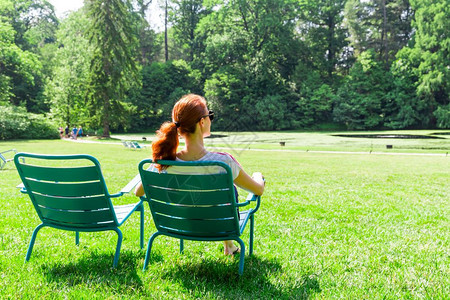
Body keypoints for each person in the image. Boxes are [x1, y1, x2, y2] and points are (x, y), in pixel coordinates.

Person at [135, 94, 265, 255]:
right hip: (219, 226)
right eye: (210, 115)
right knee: (228, 188)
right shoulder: (223, 163)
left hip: (178, 225)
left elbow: (138, 192)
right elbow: (257, 190)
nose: (211, 119)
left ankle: (229, 246)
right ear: (202, 122)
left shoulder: (164, 163)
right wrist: (258, 176)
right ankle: (229, 245)